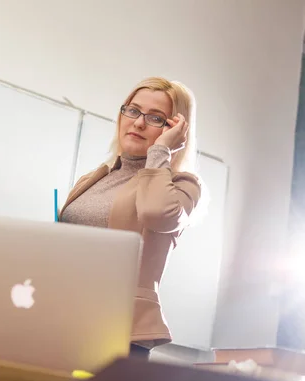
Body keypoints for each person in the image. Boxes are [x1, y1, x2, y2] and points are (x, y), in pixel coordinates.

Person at [59, 76, 202, 359]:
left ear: (176, 130)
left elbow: (156, 213)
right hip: (63, 314)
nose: (138, 122)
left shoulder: (182, 185)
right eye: (133, 111)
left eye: (155, 118)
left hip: (119, 328)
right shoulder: (95, 177)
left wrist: (161, 152)